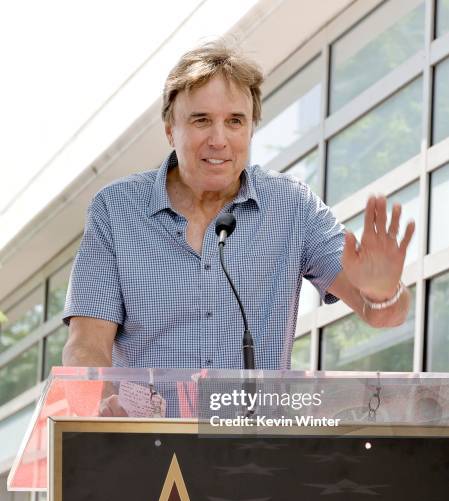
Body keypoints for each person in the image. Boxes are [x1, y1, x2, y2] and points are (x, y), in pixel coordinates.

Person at [62, 40, 414, 382]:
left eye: (235, 121)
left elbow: (384, 316)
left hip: (257, 440)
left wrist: (384, 293)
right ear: (171, 130)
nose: (219, 140)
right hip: (145, 439)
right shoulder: (116, 209)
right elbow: (86, 346)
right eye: (201, 120)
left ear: (250, 128)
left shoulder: (292, 205)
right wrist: (96, 411)